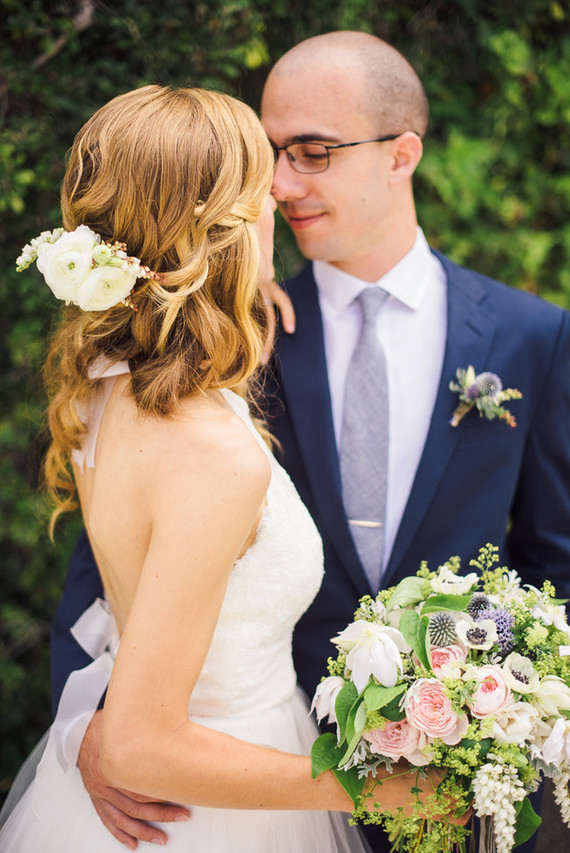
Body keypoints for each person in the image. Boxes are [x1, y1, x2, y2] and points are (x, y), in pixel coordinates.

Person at [48, 30, 570, 852]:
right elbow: (109, 575)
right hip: (243, 782)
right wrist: (84, 723)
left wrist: (494, 722)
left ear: (402, 154)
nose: (284, 185)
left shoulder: (526, 334)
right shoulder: (210, 361)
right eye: (269, 157)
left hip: (466, 781)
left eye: (312, 152)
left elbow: (553, 560)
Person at [0, 82, 450, 853]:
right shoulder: (211, 451)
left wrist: (232, 301)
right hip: (210, 813)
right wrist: (369, 783)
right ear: (228, 230)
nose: (278, 196)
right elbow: (139, 746)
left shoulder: (113, 383)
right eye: (259, 191)